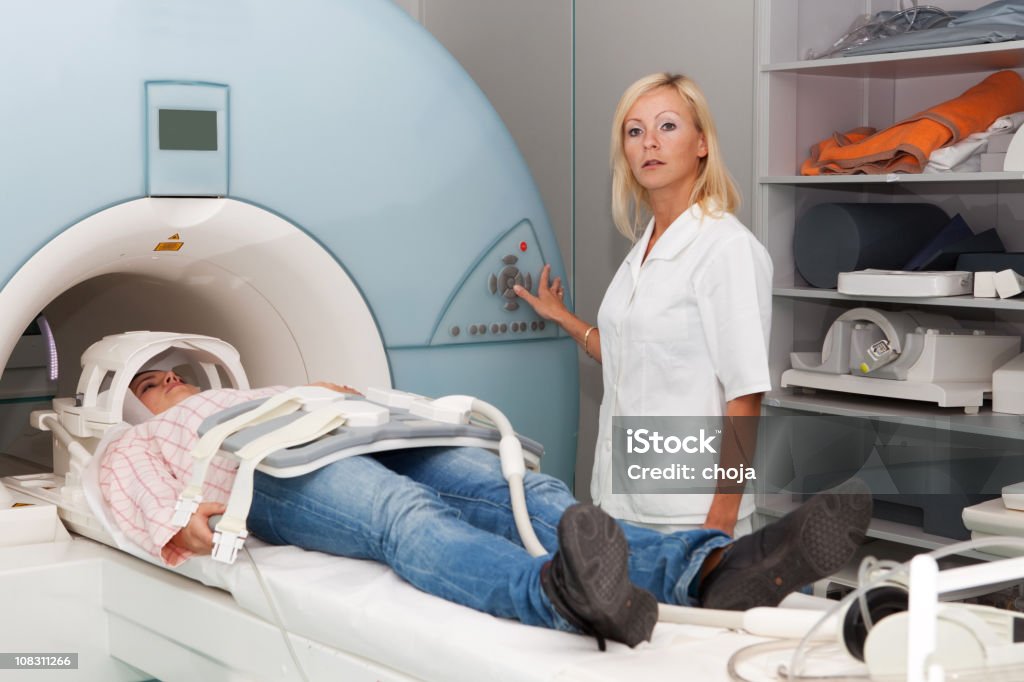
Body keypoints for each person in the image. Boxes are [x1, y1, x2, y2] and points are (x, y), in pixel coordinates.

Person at [100, 368, 872, 649]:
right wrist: (176, 523)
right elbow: (117, 488)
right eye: (150, 383)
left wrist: (352, 399)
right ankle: (558, 595)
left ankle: (711, 569)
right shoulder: (155, 435)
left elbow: (381, 403)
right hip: (263, 467)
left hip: (353, 428)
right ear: (135, 404)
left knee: (528, 492)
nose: (166, 382)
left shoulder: (279, 381)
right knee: (404, 516)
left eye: (171, 373)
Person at [515, 73, 772, 536]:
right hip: (621, 502)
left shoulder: (724, 248)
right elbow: (631, 355)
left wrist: (720, 524)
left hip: (690, 516)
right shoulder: (643, 250)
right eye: (635, 131)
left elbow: (746, 394)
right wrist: (564, 318)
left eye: (667, 126)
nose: (649, 142)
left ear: (701, 143)